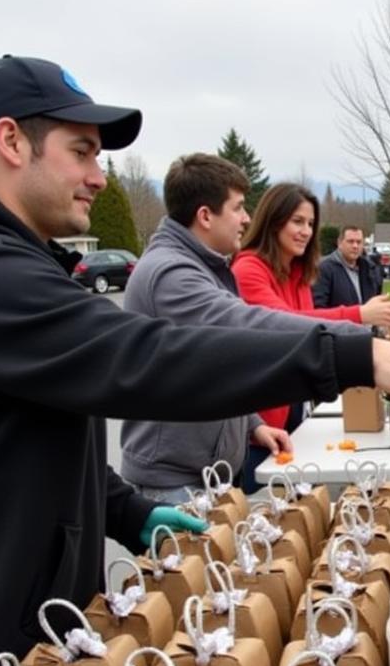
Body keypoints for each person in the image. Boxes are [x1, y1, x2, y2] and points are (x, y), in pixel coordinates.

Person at [0, 54, 390, 666]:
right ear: (11, 141)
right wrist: (358, 353)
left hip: (40, 651)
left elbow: (36, 432)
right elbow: (142, 356)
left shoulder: (20, 268)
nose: (100, 177)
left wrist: (125, 509)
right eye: (82, 152)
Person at [120, 155, 294, 502]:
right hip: (174, 484)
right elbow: (248, 331)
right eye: (239, 208)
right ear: (205, 216)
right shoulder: (171, 275)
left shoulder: (204, 266)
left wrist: (253, 425)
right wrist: (361, 348)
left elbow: (214, 370)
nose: (247, 218)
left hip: (207, 477)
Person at [231, 188, 390, 488]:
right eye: (297, 222)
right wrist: (360, 315)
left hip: (293, 409)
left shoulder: (298, 272)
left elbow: (311, 340)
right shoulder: (248, 268)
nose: (305, 231)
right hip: (258, 424)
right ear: (273, 221)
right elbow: (292, 327)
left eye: (310, 224)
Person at [313, 224, 390, 314]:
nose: (355, 246)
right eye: (350, 241)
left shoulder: (369, 268)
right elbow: (318, 309)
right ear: (339, 243)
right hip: (340, 326)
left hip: (367, 326)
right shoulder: (324, 268)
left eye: (359, 242)